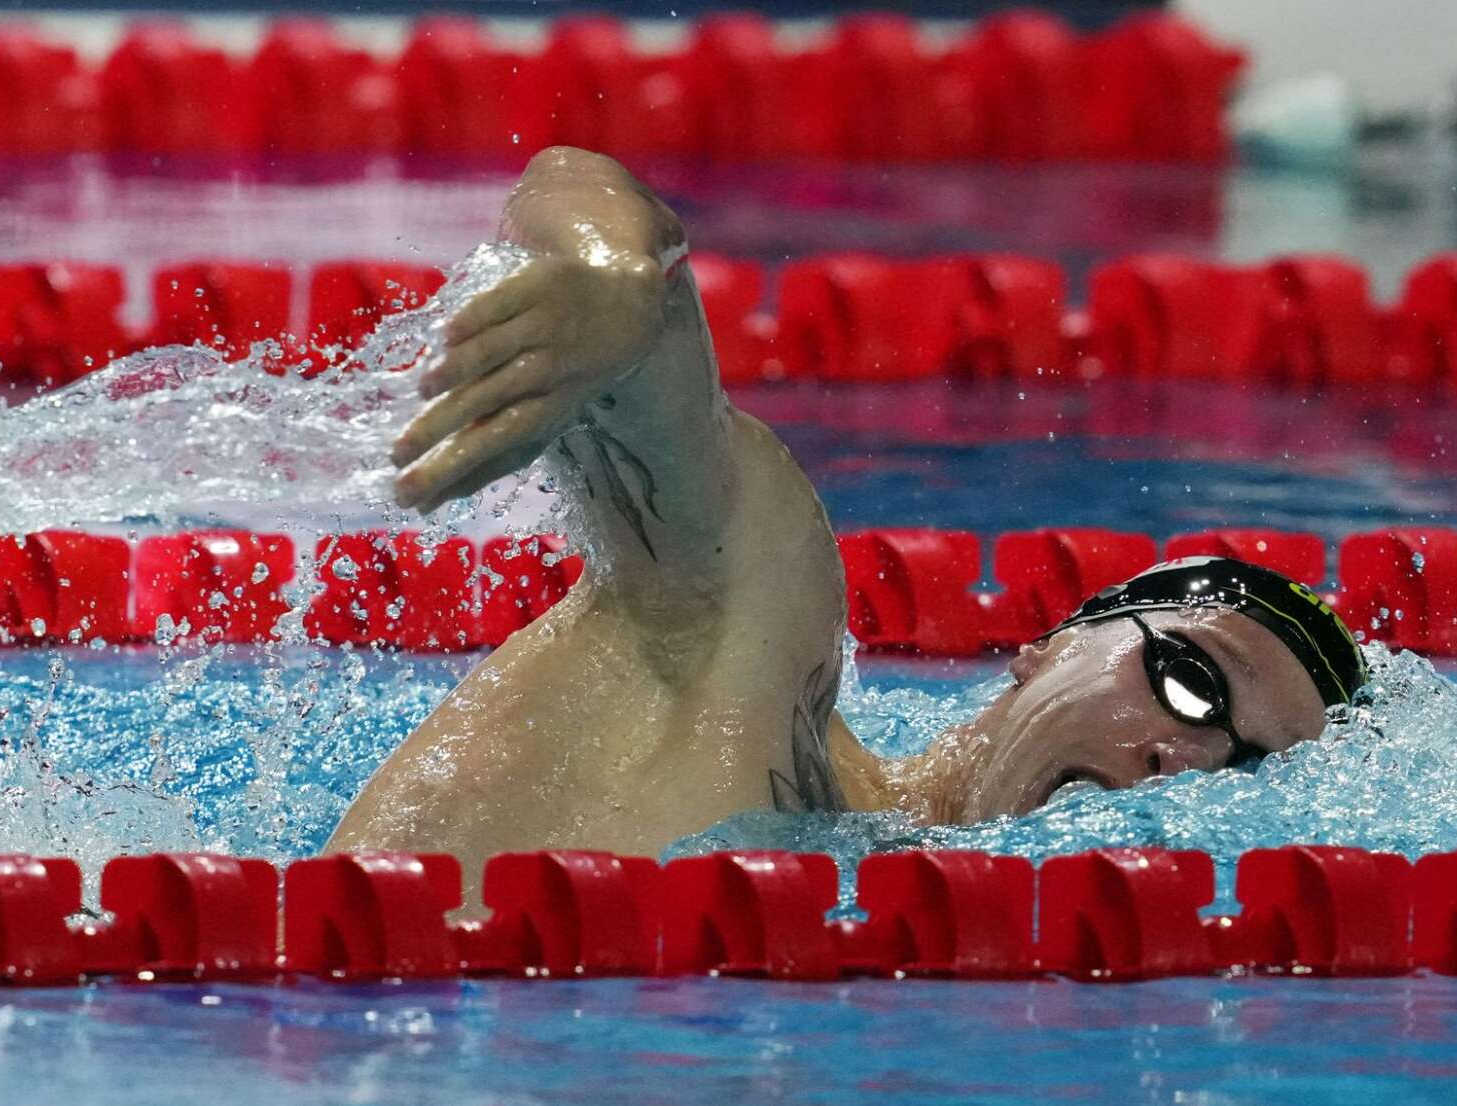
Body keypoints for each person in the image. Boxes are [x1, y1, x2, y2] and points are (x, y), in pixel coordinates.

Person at [326, 148, 1368, 871]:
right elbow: (575, 183)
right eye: (1189, 687)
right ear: (1052, 642)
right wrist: (616, 283)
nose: (1180, 764)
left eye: (1244, 768)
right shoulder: (749, 652)